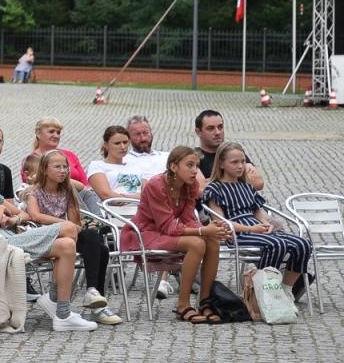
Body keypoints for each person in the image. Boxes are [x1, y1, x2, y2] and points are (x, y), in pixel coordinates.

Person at [0, 151, 97, 331]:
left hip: (12, 239)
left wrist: (13, 220)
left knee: (67, 245)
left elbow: (23, 214)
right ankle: (57, 305)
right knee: (68, 228)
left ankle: (60, 309)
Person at [125, 145, 230, 323]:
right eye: (189, 165)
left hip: (167, 232)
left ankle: (205, 301)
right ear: (174, 167)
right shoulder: (156, 185)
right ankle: (183, 305)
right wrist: (202, 230)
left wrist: (211, 229)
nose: (194, 171)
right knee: (197, 244)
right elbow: (167, 226)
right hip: (146, 233)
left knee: (211, 240)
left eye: (196, 166)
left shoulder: (191, 185)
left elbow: (188, 218)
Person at [23, 151, 123, 325]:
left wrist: (71, 225)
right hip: (44, 238)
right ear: (45, 170)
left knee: (103, 249)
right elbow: (36, 216)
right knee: (93, 241)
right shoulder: (33, 192)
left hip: (66, 236)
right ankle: (95, 303)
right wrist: (63, 223)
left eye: (65, 167)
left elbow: (75, 223)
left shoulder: (67, 191)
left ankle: (94, 296)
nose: (63, 171)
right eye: (57, 167)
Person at [203, 142, 311, 300]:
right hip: (238, 232)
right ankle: (264, 291)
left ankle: (286, 289)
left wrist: (266, 222)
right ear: (221, 164)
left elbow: (257, 210)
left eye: (242, 162)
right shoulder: (215, 189)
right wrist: (250, 229)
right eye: (234, 162)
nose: (240, 166)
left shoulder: (246, 186)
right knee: (276, 244)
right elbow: (222, 222)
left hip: (256, 226)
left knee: (303, 244)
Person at [195, 109, 265, 188]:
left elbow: (258, 183)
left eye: (220, 127)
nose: (217, 132)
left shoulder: (233, 153)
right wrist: (237, 179)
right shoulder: (194, 157)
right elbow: (200, 190)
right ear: (198, 132)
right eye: (211, 128)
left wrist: (211, 181)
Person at [25, 117, 89, 187]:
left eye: (58, 132)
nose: (56, 136)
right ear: (38, 134)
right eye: (51, 132)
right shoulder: (31, 161)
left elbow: (85, 183)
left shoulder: (70, 155)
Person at [86, 126, 145, 201]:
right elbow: (105, 194)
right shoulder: (97, 166)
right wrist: (134, 199)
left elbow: (147, 193)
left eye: (125, 142)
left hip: (140, 210)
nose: (123, 147)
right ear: (106, 145)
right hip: (113, 210)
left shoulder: (136, 165)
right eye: (117, 143)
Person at [120, 115, 168, 181]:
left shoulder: (167, 156)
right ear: (128, 137)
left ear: (151, 133)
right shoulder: (124, 161)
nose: (143, 138)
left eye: (145, 133)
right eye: (137, 134)